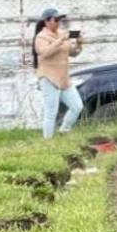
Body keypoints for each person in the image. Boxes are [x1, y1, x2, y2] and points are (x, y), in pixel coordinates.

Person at [33, 8, 85, 139]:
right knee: (51, 113)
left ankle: (64, 130)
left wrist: (79, 43)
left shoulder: (61, 33)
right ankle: (48, 142)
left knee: (77, 106)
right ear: (46, 21)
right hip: (49, 78)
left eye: (59, 20)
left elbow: (73, 53)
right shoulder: (41, 37)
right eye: (55, 20)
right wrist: (61, 39)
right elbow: (44, 52)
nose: (58, 23)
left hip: (63, 79)